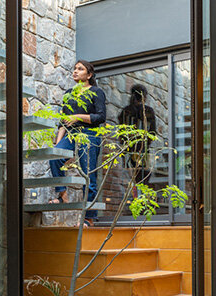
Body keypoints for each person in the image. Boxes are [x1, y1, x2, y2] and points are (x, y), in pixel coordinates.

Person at [49, 60, 106, 224]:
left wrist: (77, 117)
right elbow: (63, 121)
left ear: (89, 75)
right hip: (70, 134)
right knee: (54, 157)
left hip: (89, 134)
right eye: (74, 68)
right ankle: (62, 195)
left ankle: (89, 217)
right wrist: (58, 145)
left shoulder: (96, 92)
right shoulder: (69, 93)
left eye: (80, 69)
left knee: (89, 175)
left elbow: (100, 117)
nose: (75, 71)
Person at [118, 84, 157, 190]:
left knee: (133, 176)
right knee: (143, 176)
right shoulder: (148, 111)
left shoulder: (126, 111)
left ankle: (136, 195)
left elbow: (121, 133)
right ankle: (139, 196)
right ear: (144, 96)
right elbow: (152, 132)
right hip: (141, 149)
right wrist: (145, 142)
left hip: (129, 148)